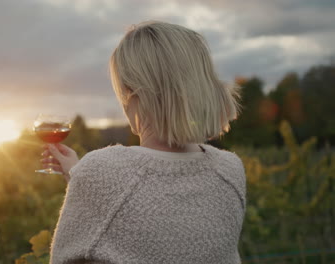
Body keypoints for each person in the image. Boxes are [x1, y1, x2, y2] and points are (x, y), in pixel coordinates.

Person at [41, 20, 246, 264]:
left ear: (132, 93)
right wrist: (79, 176)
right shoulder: (231, 171)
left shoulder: (100, 170)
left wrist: (85, 177)